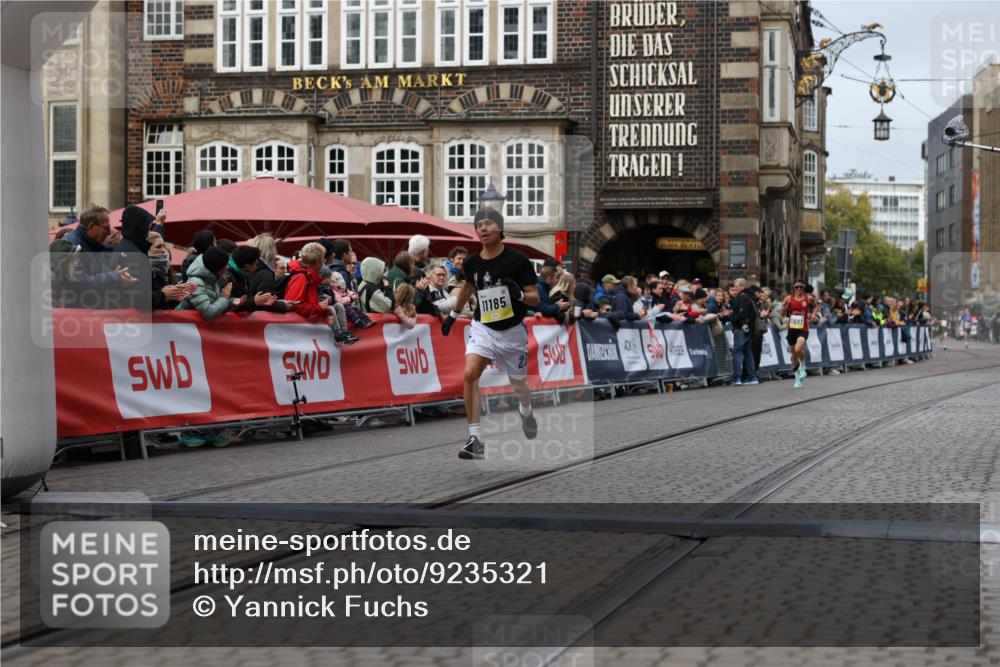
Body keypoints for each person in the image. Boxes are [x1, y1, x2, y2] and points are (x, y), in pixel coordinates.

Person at [440, 207, 540, 460]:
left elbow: (535, 299)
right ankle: (475, 439)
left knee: (518, 385)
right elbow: (467, 287)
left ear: (500, 228)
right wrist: (453, 315)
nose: (483, 229)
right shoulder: (471, 262)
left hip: (512, 332)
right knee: (470, 373)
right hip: (483, 327)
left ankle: (526, 409)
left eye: (488, 224)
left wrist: (517, 294)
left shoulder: (518, 260)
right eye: (478, 225)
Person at [284, 242, 357, 345]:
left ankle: (342, 334)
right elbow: (293, 305)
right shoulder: (301, 277)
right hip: (299, 336)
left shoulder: (310, 276)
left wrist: (325, 312)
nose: (324, 263)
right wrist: (319, 308)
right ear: (318, 261)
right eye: (323, 260)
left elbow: (313, 301)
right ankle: (340, 335)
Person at [175, 247, 244, 320]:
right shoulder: (196, 283)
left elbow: (216, 306)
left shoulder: (212, 279)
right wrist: (224, 298)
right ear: (216, 268)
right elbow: (208, 313)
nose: (227, 268)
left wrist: (232, 302)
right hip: (183, 326)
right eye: (224, 265)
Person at [781, 278, 818, 388]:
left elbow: (816, 305)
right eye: (796, 287)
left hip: (803, 328)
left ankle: (803, 366)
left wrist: (813, 314)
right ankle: (797, 378)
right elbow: (782, 314)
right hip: (792, 328)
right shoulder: (788, 298)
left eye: (801, 287)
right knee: (793, 355)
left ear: (804, 287)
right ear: (793, 288)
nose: (799, 289)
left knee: (798, 349)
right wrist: (785, 307)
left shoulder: (808, 298)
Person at [147, 231, 196, 309]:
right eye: (158, 246)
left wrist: (175, 293)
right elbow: (138, 300)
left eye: (163, 246)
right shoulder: (139, 269)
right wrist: (163, 295)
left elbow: (165, 302)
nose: (163, 250)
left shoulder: (162, 269)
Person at [228, 246, 284, 312]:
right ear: (247, 266)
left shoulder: (234, 273)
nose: (257, 262)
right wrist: (282, 305)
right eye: (256, 261)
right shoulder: (264, 275)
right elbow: (267, 303)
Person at [724, 278, 759, 386]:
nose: (735, 288)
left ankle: (737, 378)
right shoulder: (750, 296)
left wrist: (730, 316)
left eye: (736, 286)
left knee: (737, 352)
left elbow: (741, 314)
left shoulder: (742, 297)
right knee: (748, 352)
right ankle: (752, 377)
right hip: (749, 328)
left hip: (741, 328)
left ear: (742, 286)